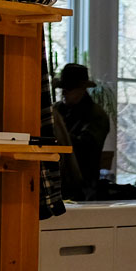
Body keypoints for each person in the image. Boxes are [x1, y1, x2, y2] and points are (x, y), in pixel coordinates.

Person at [54, 63, 110, 201]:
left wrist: (60, 134)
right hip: (58, 181)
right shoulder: (57, 109)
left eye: (69, 88)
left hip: (82, 186)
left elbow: (87, 147)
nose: (64, 92)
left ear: (81, 89)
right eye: (63, 88)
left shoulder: (96, 115)